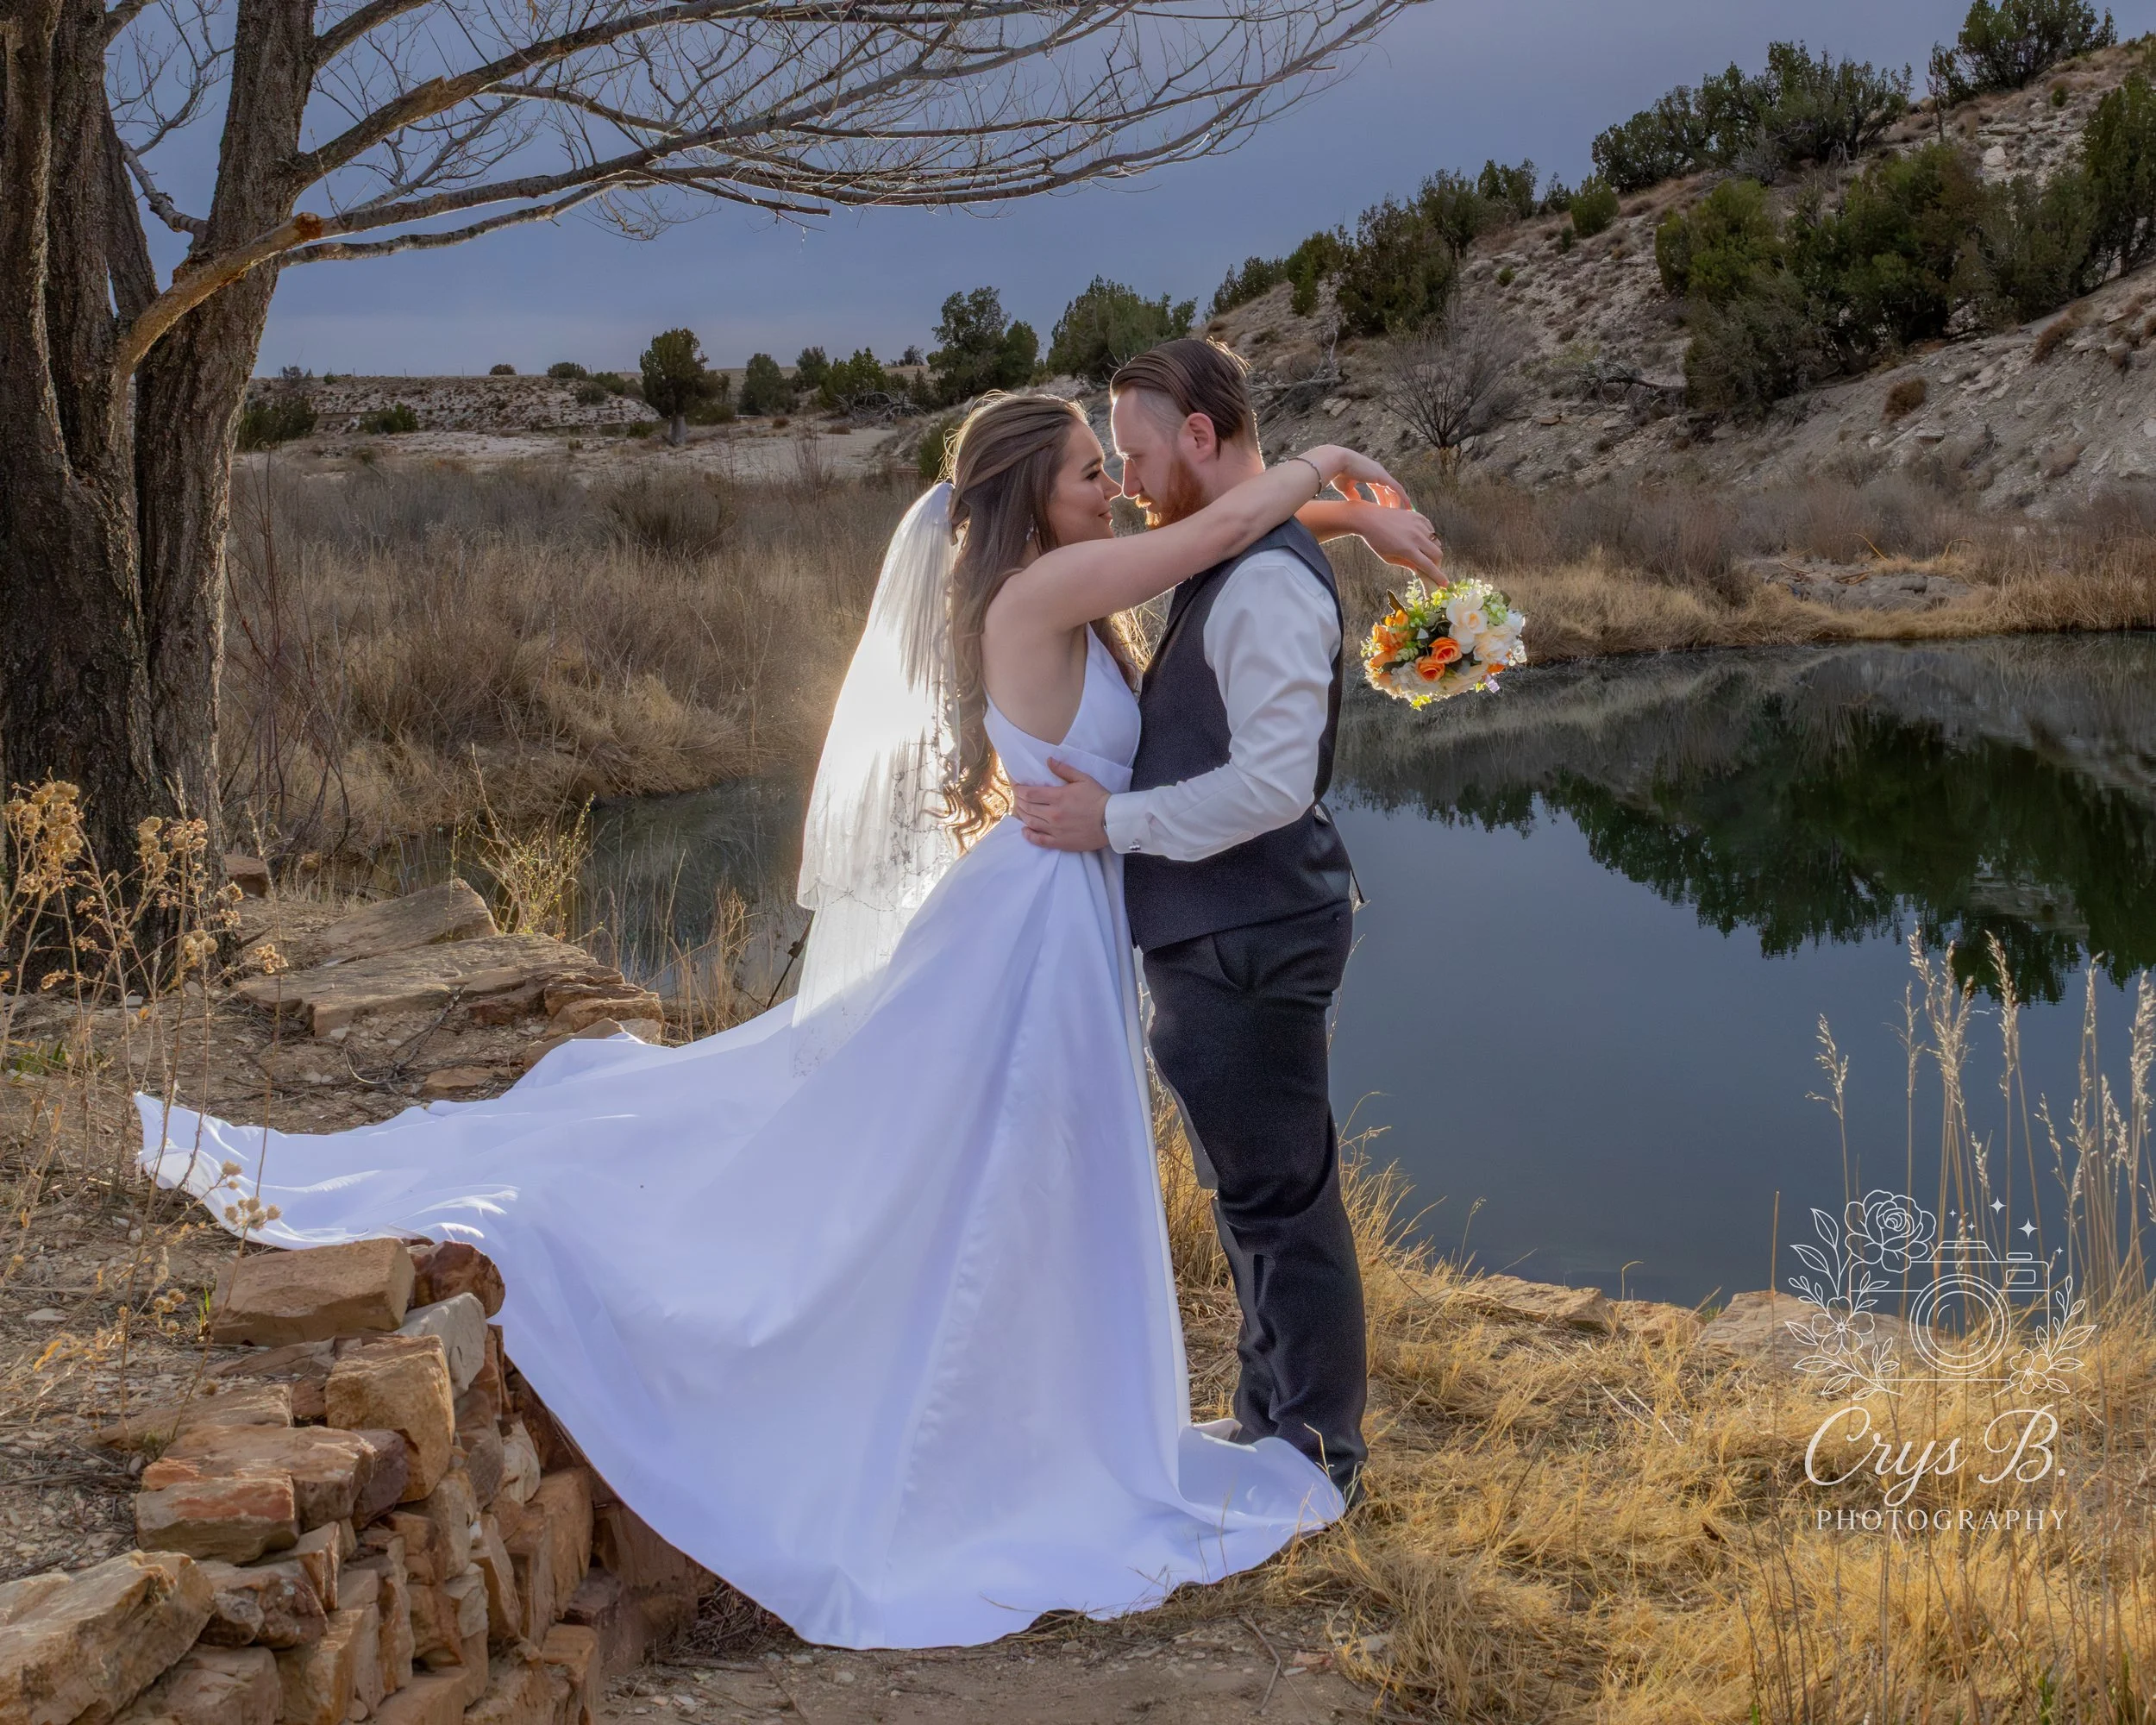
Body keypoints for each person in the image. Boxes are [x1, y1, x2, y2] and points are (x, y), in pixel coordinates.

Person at [139, 392, 1421, 1650]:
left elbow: (1205, 549)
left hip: (1068, 914)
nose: (1115, 488)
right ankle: (980, 1424)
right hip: (1030, 924)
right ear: (1033, 500)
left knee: (1032, 1183)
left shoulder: (1083, 589)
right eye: (1091, 472)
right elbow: (1200, 539)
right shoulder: (1041, 598)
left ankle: (1040, 1407)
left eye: (1114, 465)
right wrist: (1313, 465)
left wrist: (1344, 529)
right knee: (980, 1173)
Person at [1013, 339, 1437, 1507]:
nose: (1134, 481)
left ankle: (1316, 1452)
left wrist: (1112, 821)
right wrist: (1347, 500)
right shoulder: (1235, 550)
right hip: (1228, 930)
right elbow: (1223, 525)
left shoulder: (1259, 586)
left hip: (1249, 932)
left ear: (1201, 436)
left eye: (1140, 454)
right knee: (1257, 1190)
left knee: (1282, 1198)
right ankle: (1274, 1416)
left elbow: (1272, 788)